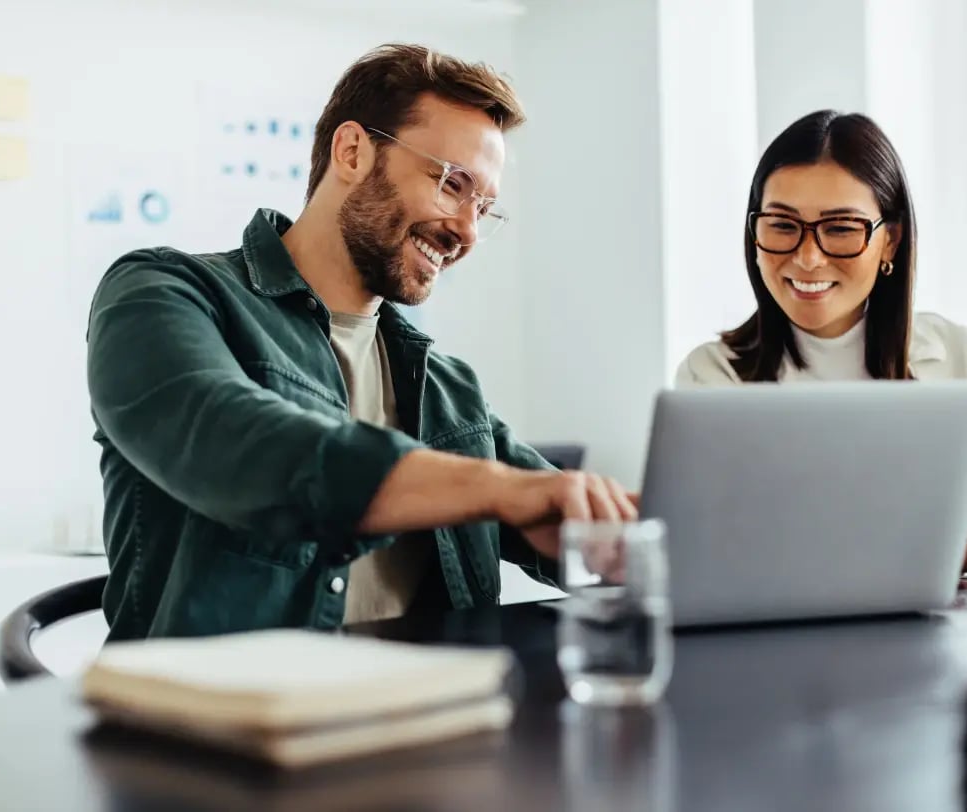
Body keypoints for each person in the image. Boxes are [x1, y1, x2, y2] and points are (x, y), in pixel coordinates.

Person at [86, 44, 635, 641]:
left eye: (485, 207)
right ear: (352, 151)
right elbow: (237, 440)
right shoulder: (162, 292)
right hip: (223, 723)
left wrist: (624, 529)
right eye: (452, 184)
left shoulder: (448, 388)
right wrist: (498, 489)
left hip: (433, 716)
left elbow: (553, 506)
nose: (467, 231)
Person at [675, 110, 967, 582]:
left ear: (890, 242)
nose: (807, 257)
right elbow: (726, 543)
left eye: (841, 229)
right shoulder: (714, 378)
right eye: (782, 226)